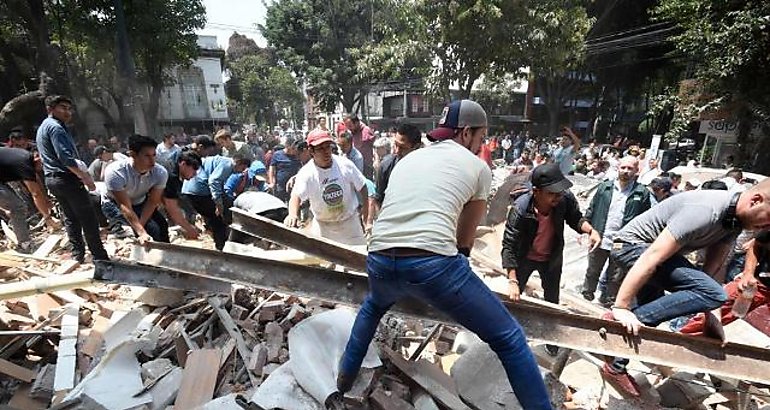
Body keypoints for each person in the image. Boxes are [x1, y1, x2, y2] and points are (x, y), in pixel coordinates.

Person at [338, 100, 551, 409]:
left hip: (380, 259)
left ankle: (343, 381)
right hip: (432, 265)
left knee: (372, 308)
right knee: (510, 339)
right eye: (480, 138)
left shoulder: (408, 160)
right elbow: (463, 243)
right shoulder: (478, 168)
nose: (480, 145)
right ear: (466, 133)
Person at [602, 179, 770, 396]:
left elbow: (711, 274)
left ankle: (615, 367)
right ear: (755, 201)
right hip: (631, 248)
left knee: (652, 315)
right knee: (646, 314)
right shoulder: (705, 210)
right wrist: (621, 307)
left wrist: (713, 319)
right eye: (768, 220)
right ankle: (615, 323)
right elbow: (651, 256)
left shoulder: (733, 223)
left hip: (653, 257)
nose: (766, 228)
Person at [501, 163, 601, 355]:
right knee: (514, 300)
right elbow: (509, 245)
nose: (558, 196)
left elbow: (575, 218)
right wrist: (512, 279)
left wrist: (590, 230)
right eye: (552, 193)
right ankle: (508, 339)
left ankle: (551, 340)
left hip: (551, 258)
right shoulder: (521, 209)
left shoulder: (564, 200)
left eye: (560, 192)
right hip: (525, 258)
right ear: (536, 192)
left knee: (552, 301)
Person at [36, 95, 109, 263]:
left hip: (52, 179)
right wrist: (85, 178)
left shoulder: (44, 127)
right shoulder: (56, 128)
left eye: (69, 109)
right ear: (51, 109)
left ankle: (78, 254)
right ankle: (100, 257)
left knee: (71, 217)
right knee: (88, 217)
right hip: (66, 178)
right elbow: (65, 158)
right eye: (63, 108)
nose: (68, 112)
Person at [580, 157, 652, 304]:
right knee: (593, 269)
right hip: (600, 235)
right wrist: (587, 231)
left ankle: (609, 300)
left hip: (621, 240)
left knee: (616, 274)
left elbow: (646, 218)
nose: (626, 171)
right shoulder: (605, 188)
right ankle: (587, 295)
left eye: (630, 168)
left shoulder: (641, 192)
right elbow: (592, 209)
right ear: (618, 168)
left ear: (636, 171)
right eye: (623, 167)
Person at [284, 130, 369, 246]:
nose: (326, 152)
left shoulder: (345, 165)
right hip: (323, 227)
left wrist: (365, 209)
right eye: (320, 149)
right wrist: (292, 214)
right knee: (320, 261)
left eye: (328, 147)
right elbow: (296, 196)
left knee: (359, 259)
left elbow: (363, 186)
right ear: (311, 151)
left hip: (350, 224)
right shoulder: (306, 173)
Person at [679, 232, 770, 335]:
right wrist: (748, 273)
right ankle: (680, 341)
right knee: (713, 314)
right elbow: (756, 244)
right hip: (760, 284)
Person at [101, 134, 169, 244]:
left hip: (140, 201)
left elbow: (152, 201)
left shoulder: (160, 172)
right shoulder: (115, 172)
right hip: (115, 203)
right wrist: (140, 232)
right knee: (129, 235)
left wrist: (140, 226)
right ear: (133, 154)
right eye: (147, 156)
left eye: (154, 155)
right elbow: (124, 206)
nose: (152, 161)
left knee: (160, 227)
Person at [0, 147, 61, 252]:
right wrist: (47, 218)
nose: (43, 169)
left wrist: (46, 199)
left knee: (16, 206)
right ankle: (25, 245)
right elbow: (35, 193)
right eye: (43, 165)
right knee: (18, 207)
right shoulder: (24, 164)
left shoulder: (27, 157)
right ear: (38, 159)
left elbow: (36, 181)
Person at [181, 136, 234, 250]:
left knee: (209, 217)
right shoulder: (228, 163)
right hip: (199, 192)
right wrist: (218, 203)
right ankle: (221, 248)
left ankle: (208, 234)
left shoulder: (210, 160)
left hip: (187, 190)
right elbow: (214, 181)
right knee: (218, 219)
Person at [373, 123, 421, 212]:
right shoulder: (386, 166)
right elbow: (378, 198)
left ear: (416, 147)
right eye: (396, 145)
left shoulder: (425, 169)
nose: (397, 151)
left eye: (402, 147)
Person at [162, 150, 202, 240]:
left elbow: (178, 198)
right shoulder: (171, 176)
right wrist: (189, 229)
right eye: (194, 169)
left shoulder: (175, 170)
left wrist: (194, 213)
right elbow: (172, 208)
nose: (195, 174)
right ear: (183, 164)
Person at [268, 137, 302, 202]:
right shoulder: (277, 154)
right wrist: (272, 182)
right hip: (280, 187)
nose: (294, 150)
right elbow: (271, 169)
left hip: (293, 186)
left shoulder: (297, 156)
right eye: (293, 148)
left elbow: (301, 168)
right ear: (287, 146)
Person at [343, 114, 375, 179]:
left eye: (350, 126)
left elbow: (374, 147)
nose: (349, 128)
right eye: (347, 126)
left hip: (366, 166)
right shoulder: (351, 132)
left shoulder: (366, 131)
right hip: (354, 164)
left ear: (357, 123)